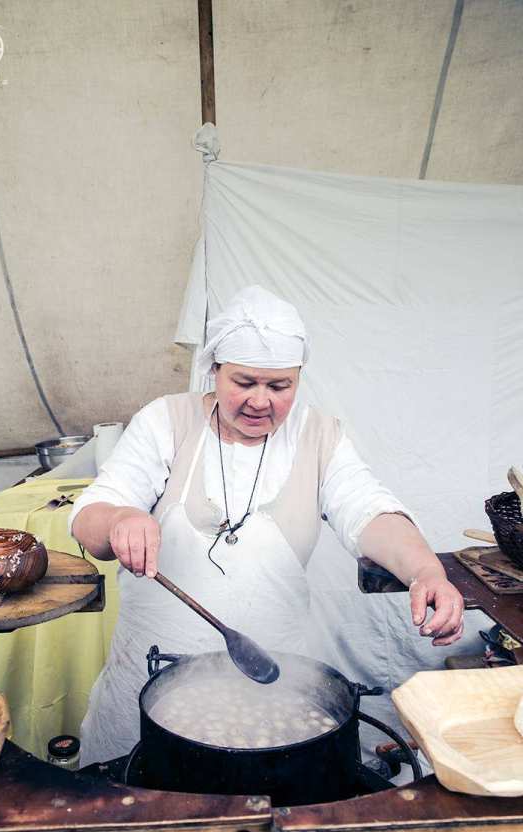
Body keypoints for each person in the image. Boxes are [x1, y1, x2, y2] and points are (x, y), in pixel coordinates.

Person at [70, 285, 464, 767]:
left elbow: (370, 512)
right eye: (245, 382)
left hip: (276, 686)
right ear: (214, 370)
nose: (261, 401)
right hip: (150, 682)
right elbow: (90, 518)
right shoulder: (165, 422)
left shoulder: (318, 436)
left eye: (280, 387)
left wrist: (426, 571)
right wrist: (120, 518)